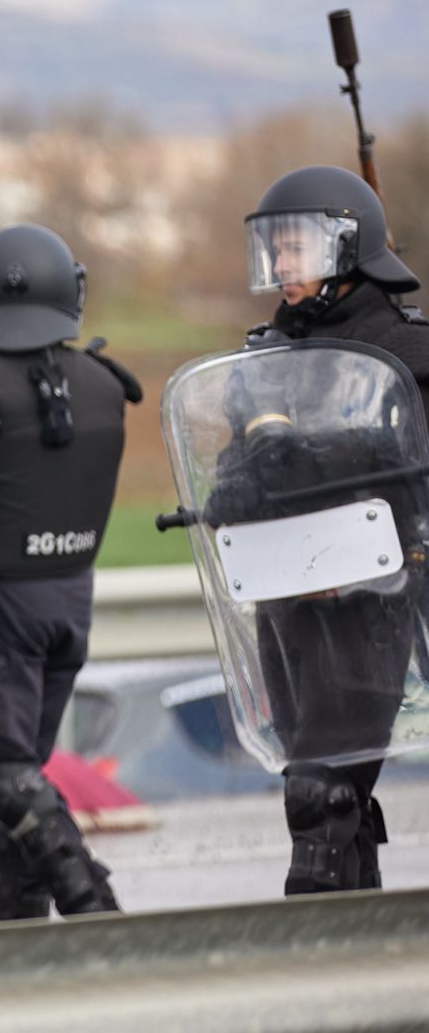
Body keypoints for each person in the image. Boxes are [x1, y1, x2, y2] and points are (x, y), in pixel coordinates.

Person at [0, 223, 140, 921]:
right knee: (22, 775)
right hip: (72, 601)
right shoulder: (103, 385)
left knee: (7, 774)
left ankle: (91, 906)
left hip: (4, 609)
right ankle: (21, 927)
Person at [221, 165, 429, 894]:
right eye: (272, 251)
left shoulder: (408, 356)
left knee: (319, 790)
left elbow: (407, 470)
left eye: (294, 249)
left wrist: (317, 455)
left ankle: (312, 955)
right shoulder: (265, 362)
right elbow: (227, 476)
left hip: (372, 600)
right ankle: (358, 952)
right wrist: (238, 480)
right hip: (286, 601)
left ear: (344, 248)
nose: (279, 266)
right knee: (325, 788)